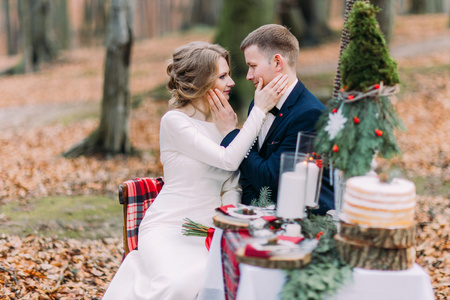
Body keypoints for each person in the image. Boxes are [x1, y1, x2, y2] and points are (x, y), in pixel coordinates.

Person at [102, 41, 288, 300]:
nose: (232, 82)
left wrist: (226, 226)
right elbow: (228, 160)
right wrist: (258, 110)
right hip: (168, 228)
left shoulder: (221, 125)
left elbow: (231, 183)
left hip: (205, 233)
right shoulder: (174, 122)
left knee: (220, 278)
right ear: (201, 81)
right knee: (177, 284)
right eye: (222, 76)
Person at [219, 24, 335, 215]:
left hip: (306, 223)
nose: (249, 76)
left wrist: (232, 135)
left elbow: (268, 179)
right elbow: (249, 176)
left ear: (277, 63)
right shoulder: (258, 103)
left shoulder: (310, 114)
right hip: (261, 214)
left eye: (253, 66)